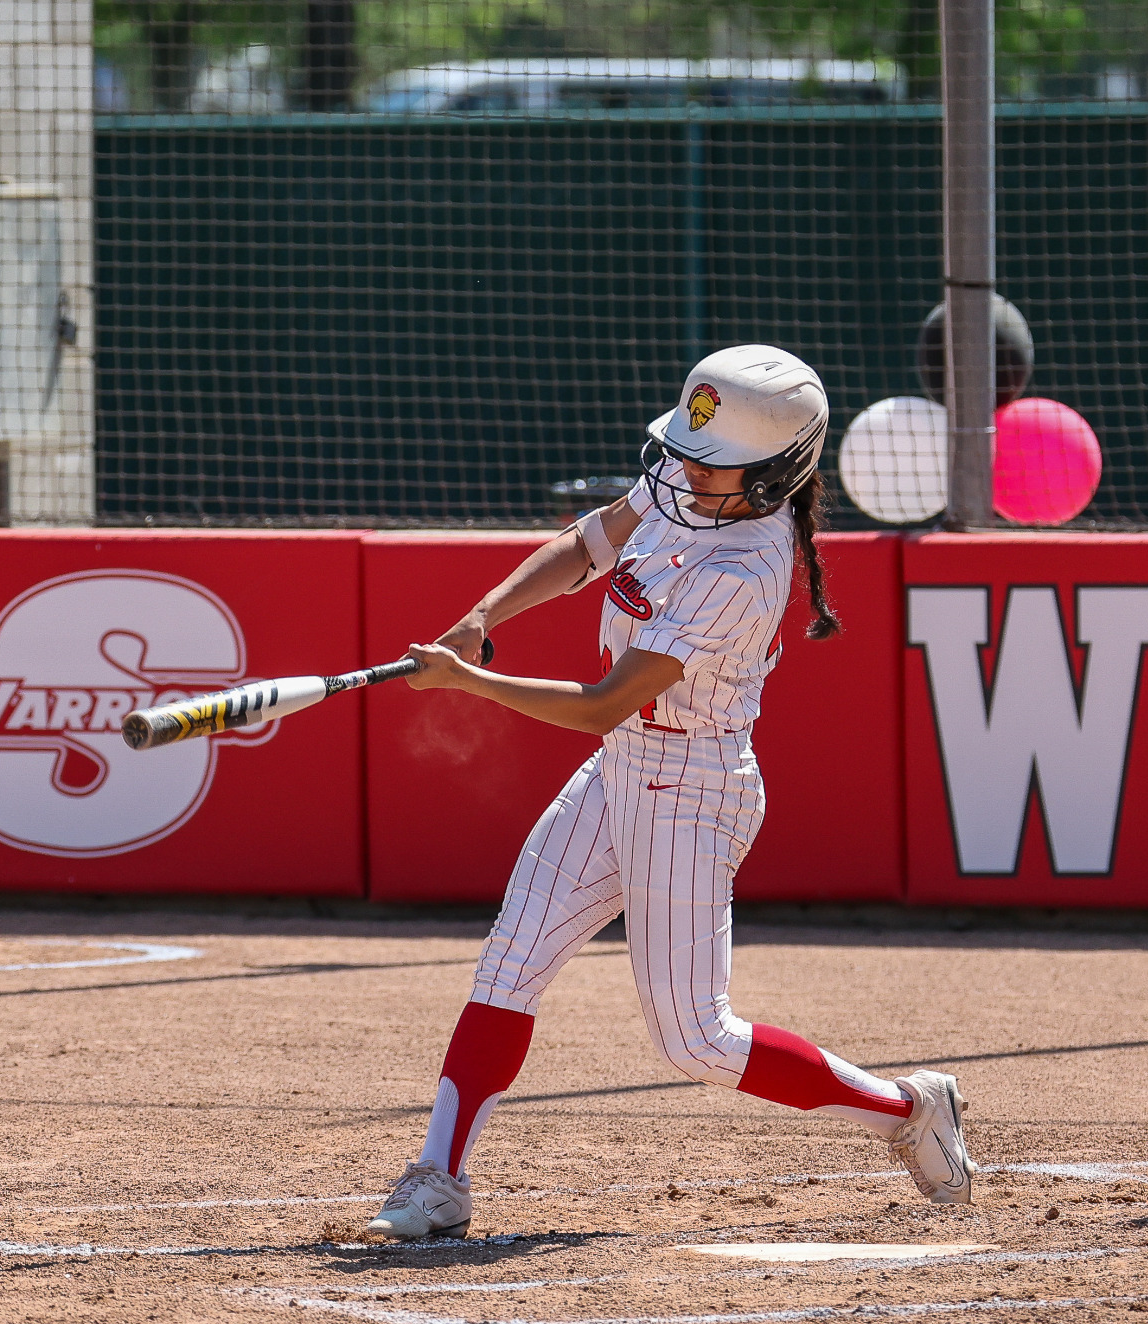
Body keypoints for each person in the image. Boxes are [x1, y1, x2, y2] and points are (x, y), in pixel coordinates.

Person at [366, 346, 975, 1240]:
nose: (688, 472)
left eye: (715, 463)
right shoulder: (683, 486)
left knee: (696, 1041)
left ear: (773, 475)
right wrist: (484, 615)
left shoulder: (746, 570)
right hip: (620, 770)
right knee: (509, 965)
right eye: (687, 450)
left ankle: (906, 1109)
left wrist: (467, 683)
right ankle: (440, 1179)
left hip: (691, 791)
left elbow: (603, 704)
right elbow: (585, 545)